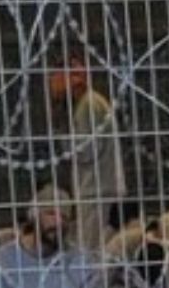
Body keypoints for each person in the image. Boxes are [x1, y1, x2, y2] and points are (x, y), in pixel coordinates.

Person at [48, 54, 127, 251]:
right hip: (101, 188)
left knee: (90, 252)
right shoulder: (91, 102)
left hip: (96, 190)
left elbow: (86, 151)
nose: (52, 88)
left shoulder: (87, 105)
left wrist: (62, 135)